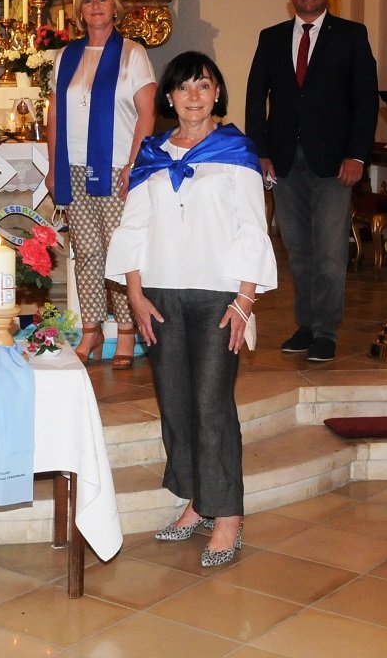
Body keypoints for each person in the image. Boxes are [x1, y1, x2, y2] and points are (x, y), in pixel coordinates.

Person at [107, 51, 276, 568]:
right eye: (183, 88)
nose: (194, 96)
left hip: (218, 295)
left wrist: (245, 300)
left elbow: (253, 226)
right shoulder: (154, 152)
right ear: (170, 98)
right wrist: (135, 294)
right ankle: (198, 500)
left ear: (217, 92)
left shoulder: (235, 150)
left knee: (211, 403)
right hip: (160, 292)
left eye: (204, 85)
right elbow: (133, 225)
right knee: (175, 402)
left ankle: (228, 514)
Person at [244, 0, 379, 363]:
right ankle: (304, 324)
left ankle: (326, 330)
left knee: (331, 250)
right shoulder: (271, 37)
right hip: (283, 162)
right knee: (298, 249)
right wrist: (260, 153)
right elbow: (255, 98)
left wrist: (358, 154)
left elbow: (365, 100)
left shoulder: (351, 36)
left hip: (334, 163)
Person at [45, 0, 156, 368]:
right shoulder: (66, 56)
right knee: (87, 251)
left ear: (115, 7)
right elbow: (56, 111)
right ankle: (91, 330)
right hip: (73, 167)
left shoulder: (132, 53)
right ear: (80, 10)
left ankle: (125, 332)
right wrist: (53, 164)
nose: (95, 5)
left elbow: (147, 113)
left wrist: (134, 164)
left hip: (115, 169)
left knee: (118, 250)